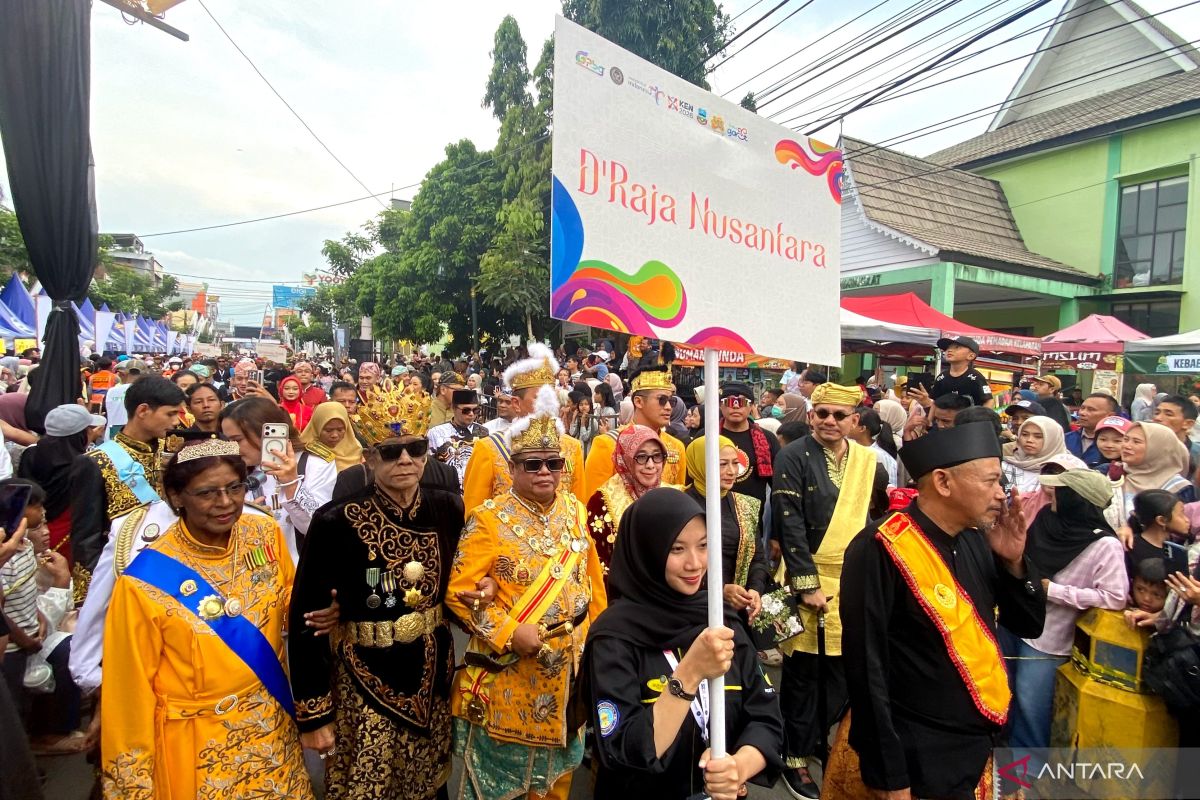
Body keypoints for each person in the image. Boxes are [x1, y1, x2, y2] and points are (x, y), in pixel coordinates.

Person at [836, 423, 1047, 800]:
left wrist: (1014, 562)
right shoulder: (881, 547)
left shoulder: (976, 538)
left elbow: (1027, 625)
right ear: (943, 482)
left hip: (985, 745)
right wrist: (888, 775)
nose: (1001, 493)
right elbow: (866, 669)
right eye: (991, 481)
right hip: (919, 756)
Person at [98, 440, 314, 799]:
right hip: (196, 743)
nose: (226, 502)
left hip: (272, 725)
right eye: (207, 493)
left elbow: (288, 601)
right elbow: (127, 695)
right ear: (176, 497)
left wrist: (323, 608)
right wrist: (132, 785)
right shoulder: (142, 582)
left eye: (234, 487)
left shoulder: (263, 533)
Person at [446, 385, 607, 800]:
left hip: (570, 666)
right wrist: (507, 632)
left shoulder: (574, 508)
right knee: (504, 786)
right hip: (513, 671)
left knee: (558, 780)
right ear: (514, 468)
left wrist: (597, 638)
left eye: (554, 463)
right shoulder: (489, 519)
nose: (545, 472)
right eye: (533, 464)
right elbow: (458, 593)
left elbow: (591, 581)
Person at [289, 426, 464, 799]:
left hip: (432, 672)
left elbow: (465, 577)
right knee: (366, 782)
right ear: (368, 459)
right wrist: (315, 715)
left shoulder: (448, 508)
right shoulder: (335, 520)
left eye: (415, 448)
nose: (405, 460)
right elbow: (308, 620)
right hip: (363, 672)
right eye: (391, 452)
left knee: (429, 782)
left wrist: (486, 586)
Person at [582, 488, 784, 799]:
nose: (695, 563)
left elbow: (767, 717)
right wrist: (689, 674)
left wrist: (738, 767)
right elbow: (622, 751)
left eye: (703, 545)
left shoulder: (720, 619)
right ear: (646, 551)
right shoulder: (614, 638)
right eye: (677, 549)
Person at [770, 383, 888, 799]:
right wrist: (807, 586)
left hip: (851, 580)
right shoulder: (792, 455)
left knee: (841, 673)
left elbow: (871, 519)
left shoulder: (867, 460)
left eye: (839, 415)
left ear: (855, 420)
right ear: (811, 416)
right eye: (822, 413)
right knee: (803, 675)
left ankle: (817, 737)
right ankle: (793, 755)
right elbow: (789, 521)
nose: (830, 422)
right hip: (808, 579)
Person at [1002, 469, 1127, 749]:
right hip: (1015, 621)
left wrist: (1055, 591)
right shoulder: (1047, 520)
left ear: (1076, 500)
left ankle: (1029, 767)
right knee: (1008, 697)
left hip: (1050, 639)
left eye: (1061, 491)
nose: (1053, 495)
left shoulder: (1105, 545)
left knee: (1032, 706)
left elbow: (1114, 597)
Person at [71, 376, 185, 603]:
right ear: (143, 411)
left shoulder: (176, 450)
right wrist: (90, 598)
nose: (176, 422)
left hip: (177, 568)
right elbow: (86, 538)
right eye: (170, 414)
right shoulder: (96, 462)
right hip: (123, 573)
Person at [461, 344, 586, 515]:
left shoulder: (571, 447)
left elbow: (580, 511)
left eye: (551, 397)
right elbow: (474, 516)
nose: (548, 404)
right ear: (516, 404)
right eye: (539, 398)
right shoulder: (489, 449)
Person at [220, 397, 338, 565]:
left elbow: (318, 528)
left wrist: (291, 484)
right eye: (227, 441)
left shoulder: (314, 463)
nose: (232, 448)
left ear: (265, 432)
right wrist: (246, 516)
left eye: (237, 440)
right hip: (253, 566)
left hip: (300, 568)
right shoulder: (233, 468)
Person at [685, 436, 769, 624]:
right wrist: (719, 590)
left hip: (737, 612)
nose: (731, 471)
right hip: (692, 610)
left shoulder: (744, 505)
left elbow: (757, 557)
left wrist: (755, 589)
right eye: (722, 464)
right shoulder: (681, 505)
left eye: (735, 463)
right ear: (701, 464)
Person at [17, 404, 104, 560]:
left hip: (32, 535)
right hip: (67, 538)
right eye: (88, 430)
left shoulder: (29, 454)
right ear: (79, 435)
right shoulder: (83, 464)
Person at [585, 364, 687, 495]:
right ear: (638, 402)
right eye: (661, 400)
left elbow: (678, 500)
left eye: (671, 401)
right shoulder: (608, 444)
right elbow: (593, 501)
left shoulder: (676, 447)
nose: (668, 407)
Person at [586, 425, 670, 574]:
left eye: (657, 456)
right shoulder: (601, 502)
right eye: (641, 457)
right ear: (626, 459)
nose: (651, 465)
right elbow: (599, 568)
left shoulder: (673, 496)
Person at [718, 383, 780, 510]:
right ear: (720, 405)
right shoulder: (707, 437)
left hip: (753, 513)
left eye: (742, 402)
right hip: (712, 512)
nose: (736, 406)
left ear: (752, 406)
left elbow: (777, 484)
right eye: (729, 402)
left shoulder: (767, 439)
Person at [1121, 421, 1195, 505]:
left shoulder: (1177, 486)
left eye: (1136, 442)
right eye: (1126, 439)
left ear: (1157, 448)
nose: (1126, 446)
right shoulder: (1114, 473)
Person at [427, 388, 489, 487]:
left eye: (475, 410)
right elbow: (431, 466)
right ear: (454, 408)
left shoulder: (483, 432)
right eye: (466, 410)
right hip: (446, 488)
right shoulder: (436, 433)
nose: (471, 414)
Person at [1124, 489, 1190, 576]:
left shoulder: (1176, 547)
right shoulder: (1131, 547)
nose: (1187, 520)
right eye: (1181, 514)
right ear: (1161, 520)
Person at [1002, 416, 1069, 493]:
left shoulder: (1066, 471)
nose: (1029, 440)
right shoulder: (1004, 466)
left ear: (1052, 440)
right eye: (1024, 434)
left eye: (1038, 437)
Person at [300, 400, 363, 472]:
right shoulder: (304, 452)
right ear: (317, 428)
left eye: (340, 430)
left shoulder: (356, 448)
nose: (334, 435)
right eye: (328, 430)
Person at [1065, 393, 1121, 468]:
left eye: (1091, 410)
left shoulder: (1120, 445)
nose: (1082, 413)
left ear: (1110, 416)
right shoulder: (1065, 439)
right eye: (1082, 408)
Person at [850, 407, 898, 489]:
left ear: (862, 428)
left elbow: (890, 488)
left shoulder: (879, 456)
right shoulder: (849, 445)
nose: (846, 425)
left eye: (853, 422)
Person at [1152, 394, 1200, 475]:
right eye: (1157, 413)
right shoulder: (1143, 449)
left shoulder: (1197, 455)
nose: (1157, 418)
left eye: (1168, 414)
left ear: (1188, 423)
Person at [102, 358, 145, 440]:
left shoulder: (111, 391)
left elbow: (105, 412)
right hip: (136, 434)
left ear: (125, 373)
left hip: (112, 434)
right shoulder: (146, 391)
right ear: (144, 374)